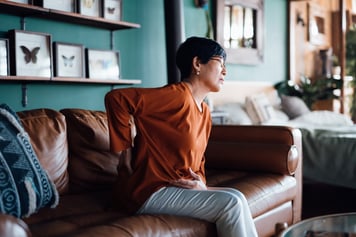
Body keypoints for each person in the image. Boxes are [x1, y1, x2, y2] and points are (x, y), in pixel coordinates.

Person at [104, 36, 258, 237]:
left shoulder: (204, 112)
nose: (225, 71)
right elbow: (116, 99)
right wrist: (124, 155)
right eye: (220, 63)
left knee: (237, 196)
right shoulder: (176, 96)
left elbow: (198, 160)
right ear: (197, 64)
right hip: (150, 191)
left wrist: (201, 183)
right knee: (230, 204)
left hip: (179, 190)